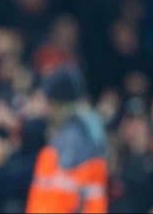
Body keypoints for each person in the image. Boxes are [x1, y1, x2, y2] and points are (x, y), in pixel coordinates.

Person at [26, 65, 108, 213]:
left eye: (49, 103)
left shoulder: (70, 144)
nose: (45, 109)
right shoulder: (88, 137)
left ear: (59, 105)